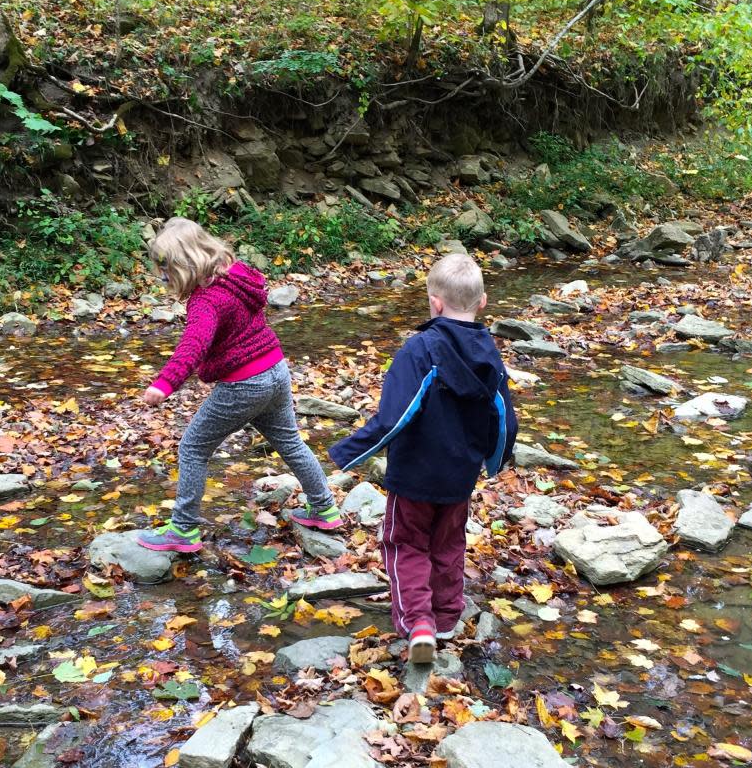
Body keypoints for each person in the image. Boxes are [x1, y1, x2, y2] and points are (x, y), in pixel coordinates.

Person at [329, 253, 517, 663]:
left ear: (434, 302)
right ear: (482, 301)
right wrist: (494, 460)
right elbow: (503, 415)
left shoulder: (420, 349)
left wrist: (348, 452)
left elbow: (396, 415)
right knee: (448, 542)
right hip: (459, 476)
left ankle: (419, 623)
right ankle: (447, 616)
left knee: (405, 544)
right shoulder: (489, 352)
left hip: (414, 474)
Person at [138, 217, 342, 553]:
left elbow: (194, 345)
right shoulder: (237, 275)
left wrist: (164, 383)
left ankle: (183, 530)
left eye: (167, 270)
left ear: (186, 264)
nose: (163, 278)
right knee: (290, 441)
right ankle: (324, 509)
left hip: (244, 384)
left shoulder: (206, 300)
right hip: (275, 370)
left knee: (192, 448)